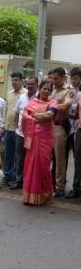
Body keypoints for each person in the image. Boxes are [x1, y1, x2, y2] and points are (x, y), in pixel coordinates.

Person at [22, 79, 57, 205]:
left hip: (45, 139)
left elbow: (49, 116)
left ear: (51, 92)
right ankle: (29, 197)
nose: (46, 91)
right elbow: (25, 116)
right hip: (33, 139)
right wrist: (38, 116)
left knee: (44, 167)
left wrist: (35, 115)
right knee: (30, 166)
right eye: (44, 88)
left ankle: (45, 195)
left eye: (49, 89)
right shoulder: (32, 103)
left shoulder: (53, 102)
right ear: (40, 89)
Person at [10, 76, 38, 190]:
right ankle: (18, 181)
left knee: (30, 158)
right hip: (21, 134)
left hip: (33, 135)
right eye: (29, 84)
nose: (30, 86)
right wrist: (17, 127)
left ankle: (29, 181)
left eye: (32, 84)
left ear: (37, 85)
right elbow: (17, 113)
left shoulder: (39, 98)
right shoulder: (22, 97)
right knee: (19, 158)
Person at [51, 67, 75, 197]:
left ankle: (60, 186)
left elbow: (66, 106)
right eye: (52, 78)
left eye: (56, 79)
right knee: (47, 158)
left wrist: (50, 107)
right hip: (48, 127)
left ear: (63, 78)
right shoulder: (52, 89)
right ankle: (50, 183)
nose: (54, 81)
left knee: (60, 158)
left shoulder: (69, 91)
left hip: (60, 127)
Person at [3, 72, 27, 184]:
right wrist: (3, 125)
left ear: (22, 81)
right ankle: (8, 175)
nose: (14, 82)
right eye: (12, 80)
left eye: (16, 80)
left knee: (19, 156)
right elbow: (6, 110)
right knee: (8, 154)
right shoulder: (9, 94)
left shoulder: (26, 94)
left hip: (20, 131)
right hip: (8, 128)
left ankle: (17, 177)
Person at [66, 67, 81, 198]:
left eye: (76, 79)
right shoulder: (72, 92)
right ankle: (76, 189)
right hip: (74, 129)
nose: (74, 81)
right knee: (77, 160)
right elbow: (75, 113)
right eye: (72, 79)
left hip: (77, 128)